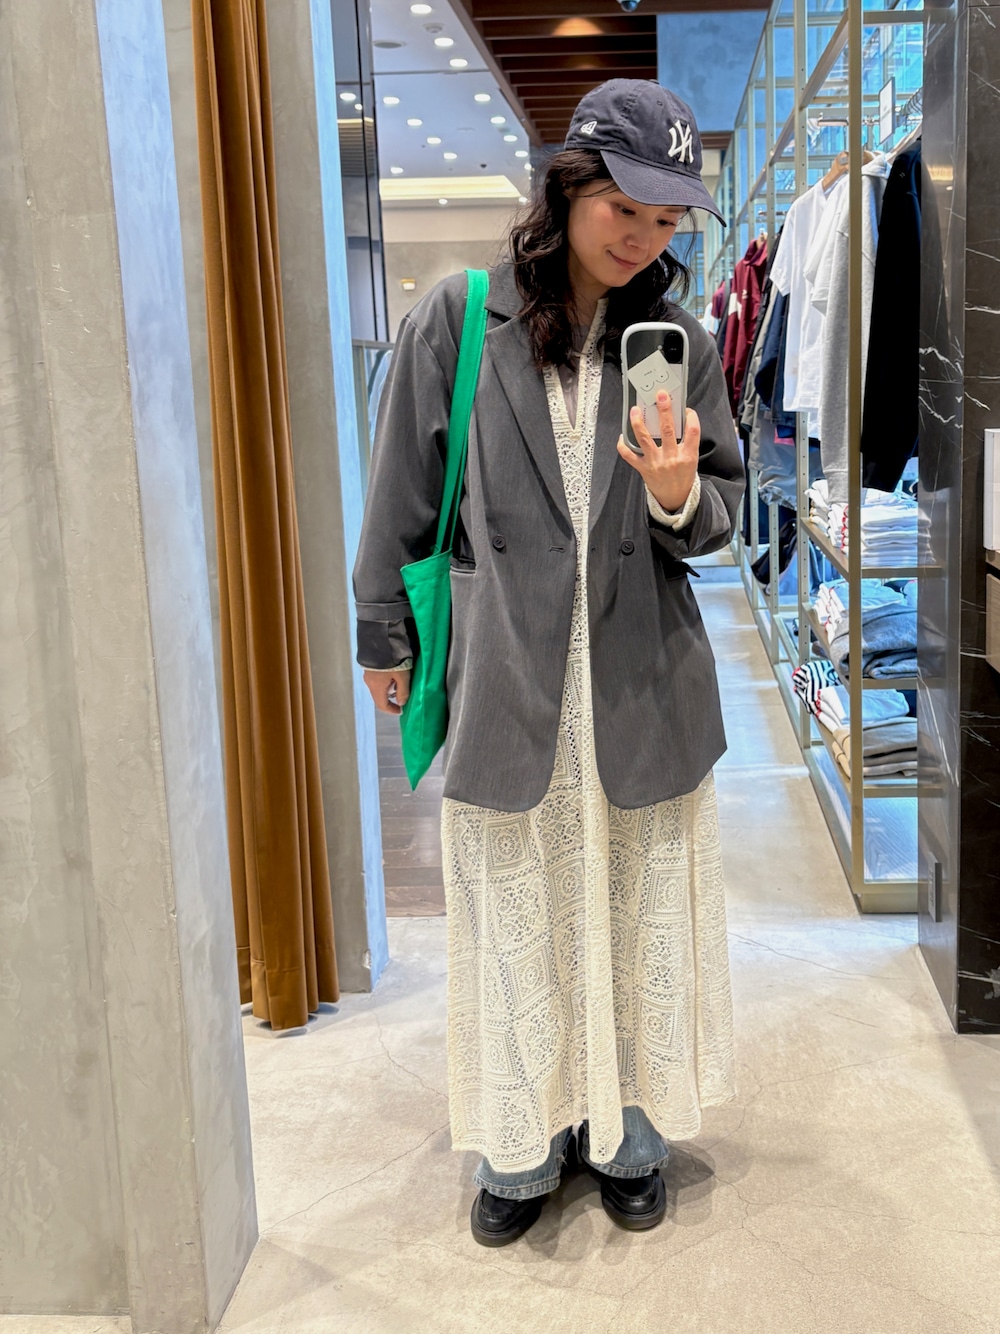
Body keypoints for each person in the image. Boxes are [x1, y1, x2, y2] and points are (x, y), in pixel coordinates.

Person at [354, 79, 744, 1247]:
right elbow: (399, 489)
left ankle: (627, 1135)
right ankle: (521, 1142)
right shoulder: (459, 316)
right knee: (520, 910)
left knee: (632, 913)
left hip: (641, 682)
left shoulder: (675, 340)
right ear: (568, 185)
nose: (644, 238)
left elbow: (724, 509)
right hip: (510, 679)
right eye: (625, 208)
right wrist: (382, 628)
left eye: (667, 221)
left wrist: (677, 497)